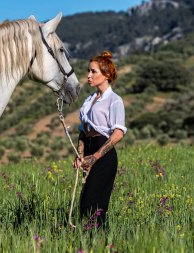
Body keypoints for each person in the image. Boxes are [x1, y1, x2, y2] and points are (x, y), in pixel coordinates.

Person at [73, 50, 127, 226]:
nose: (88, 75)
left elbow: (118, 133)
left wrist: (95, 156)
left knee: (94, 204)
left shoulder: (114, 100)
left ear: (107, 75)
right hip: (88, 149)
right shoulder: (89, 100)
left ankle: (100, 242)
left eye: (93, 71)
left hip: (103, 154)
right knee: (84, 205)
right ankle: (88, 243)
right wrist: (80, 155)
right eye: (88, 71)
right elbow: (83, 130)